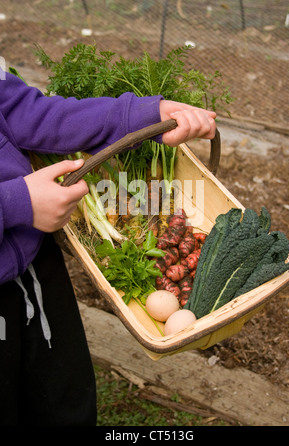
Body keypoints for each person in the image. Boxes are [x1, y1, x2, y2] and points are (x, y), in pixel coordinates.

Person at [0, 68, 216, 426]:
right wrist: (16, 202)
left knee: (64, 393)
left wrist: (144, 115)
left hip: (36, 267)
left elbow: (35, 115)